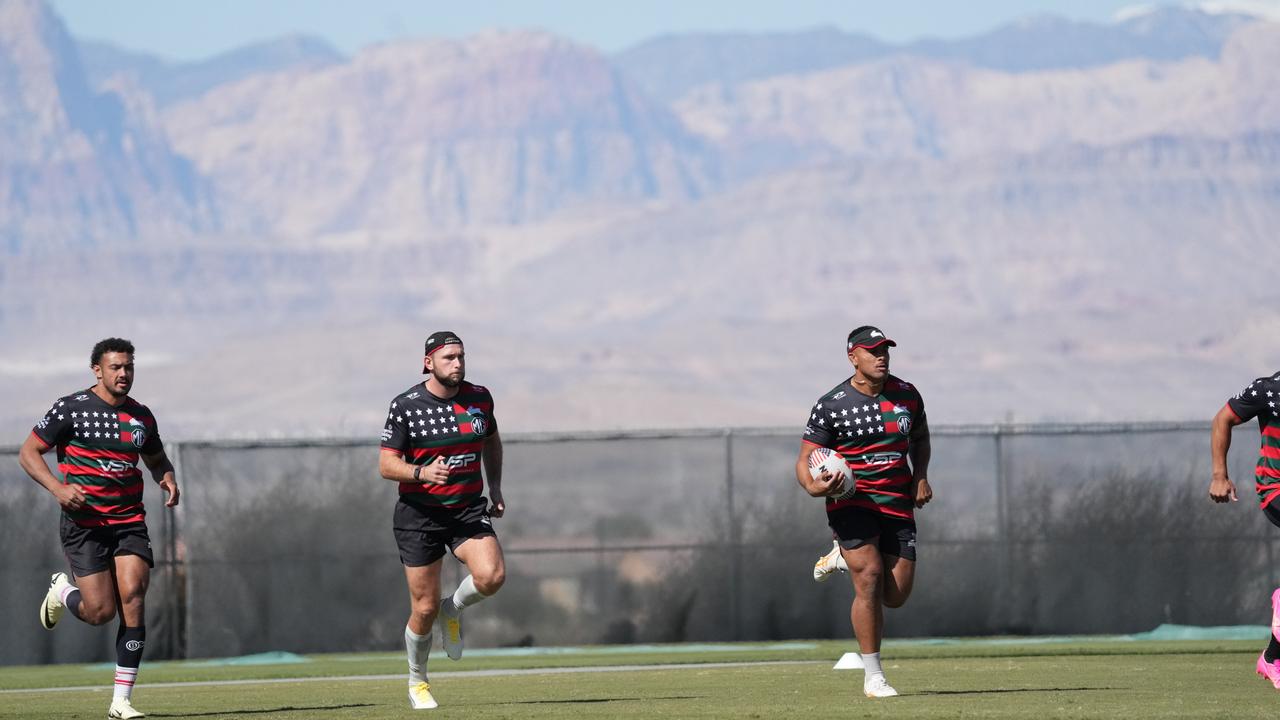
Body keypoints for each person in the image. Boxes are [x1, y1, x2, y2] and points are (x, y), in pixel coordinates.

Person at [18, 338, 179, 720]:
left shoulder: (141, 416)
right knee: (99, 612)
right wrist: (58, 488)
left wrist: (167, 477)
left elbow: (156, 459)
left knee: (134, 597)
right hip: (85, 524)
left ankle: (120, 702)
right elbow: (28, 453)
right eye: (115, 367)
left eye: (129, 367)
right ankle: (62, 590)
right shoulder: (71, 408)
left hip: (128, 521)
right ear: (97, 370)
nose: (123, 374)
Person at [794, 325, 932, 699]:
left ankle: (841, 557)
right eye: (873, 351)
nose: (881, 356)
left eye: (885, 350)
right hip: (851, 501)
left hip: (897, 504)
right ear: (853, 357)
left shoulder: (907, 395)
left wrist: (920, 476)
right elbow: (806, 458)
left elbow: (920, 438)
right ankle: (874, 676)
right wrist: (811, 485)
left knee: (896, 594)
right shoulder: (832, 404)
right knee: (869, 576)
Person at [378, 331, 506, 710]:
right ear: (428, 363)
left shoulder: (480, 398)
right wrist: (420, 474)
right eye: (449, 357)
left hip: (466, 510)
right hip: (420, 515)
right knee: (423, 608)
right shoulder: (406, 406)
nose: (458, 364)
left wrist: (495, 487)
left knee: (492, 576)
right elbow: (386, 465)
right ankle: (418, 682)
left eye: (461, 356)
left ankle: (455, 608)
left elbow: (492, 442)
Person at [1209, 370, 1280, 688]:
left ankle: (1273, 658)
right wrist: (1219, 475)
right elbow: (1223, 419)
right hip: (1276, 489)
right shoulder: (1270, 389)